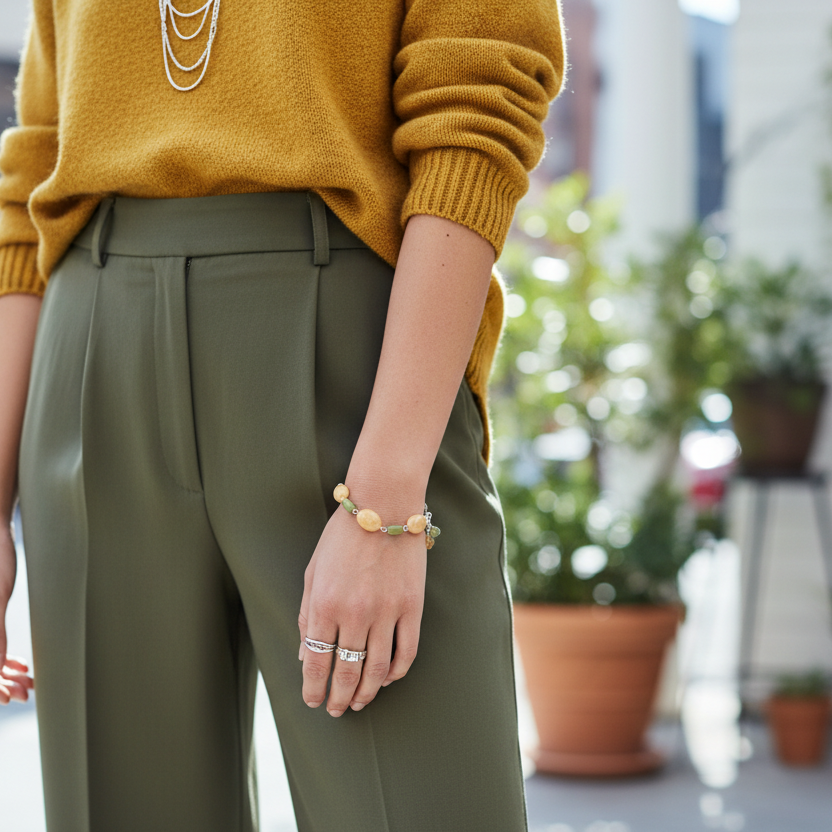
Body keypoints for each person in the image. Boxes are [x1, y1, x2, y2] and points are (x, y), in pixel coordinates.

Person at [0, 1, 565, 829]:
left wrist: (386, 506)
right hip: (89, 348)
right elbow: (38, 160)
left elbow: (476, 108)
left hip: (358, 362)